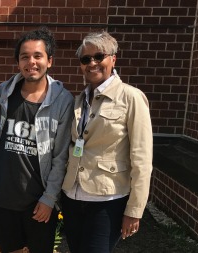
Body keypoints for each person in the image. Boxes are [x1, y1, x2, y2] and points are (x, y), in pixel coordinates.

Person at [60, 31, 153, 253]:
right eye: (85, 59)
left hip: (107, 200)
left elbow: (142, 158)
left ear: (113, 59)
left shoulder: (131, 98)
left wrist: (135, 210)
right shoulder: (80, 99)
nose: (92, 63)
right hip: (72, 197)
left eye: (98, 56)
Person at [0, 26, 75, 253]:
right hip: (4, 198)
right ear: (18, 62)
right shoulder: (3, 93)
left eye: (38, 56)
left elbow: (61, 156)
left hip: (39, 201)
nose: (31, 62)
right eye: (25, 57)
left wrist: (49, 198)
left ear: (50, 60)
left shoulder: (63, 101)